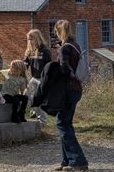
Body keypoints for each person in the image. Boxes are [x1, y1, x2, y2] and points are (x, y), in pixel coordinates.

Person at [52, 20, 88, 171]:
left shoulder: (64, 48)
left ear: (59, 32)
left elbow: (64, 69)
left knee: (62, 124)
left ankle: (78, 161)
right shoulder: (75, 46)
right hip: (76, 89)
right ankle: (66, 161)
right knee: (66, 124)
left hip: (67, 90)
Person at [23, 28, 51, 123]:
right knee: (26, 95)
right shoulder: (29, 51)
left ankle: (43, 120)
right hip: (33, 78)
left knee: (38, 100)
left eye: (31, 39)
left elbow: (49, 67)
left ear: (37, 38)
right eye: (28, 39)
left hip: (42, 79)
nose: (29, 41)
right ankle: (36, 113)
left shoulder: (45, 50)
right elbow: (25, 64)